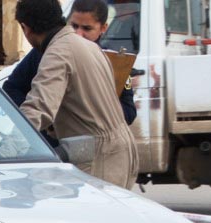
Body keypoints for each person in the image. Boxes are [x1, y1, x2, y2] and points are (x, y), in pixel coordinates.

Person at [13, 0, 138, 189]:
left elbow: (38, 108)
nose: (81, 31)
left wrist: (7, 151)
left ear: (25, 28)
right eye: (76, 25)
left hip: (99, 156)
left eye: (87, 27)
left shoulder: (58, 53)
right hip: (117, 152)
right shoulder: (88, 47)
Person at [5, 0, 136, 125]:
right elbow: (13, 89)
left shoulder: (113, 60)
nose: (78, 33)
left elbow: (129, 112)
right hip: (54, 144)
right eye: (74, 26)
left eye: (87, 28)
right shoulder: (47, 52)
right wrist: (48, 123)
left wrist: (91, 114)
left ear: (103, 28)